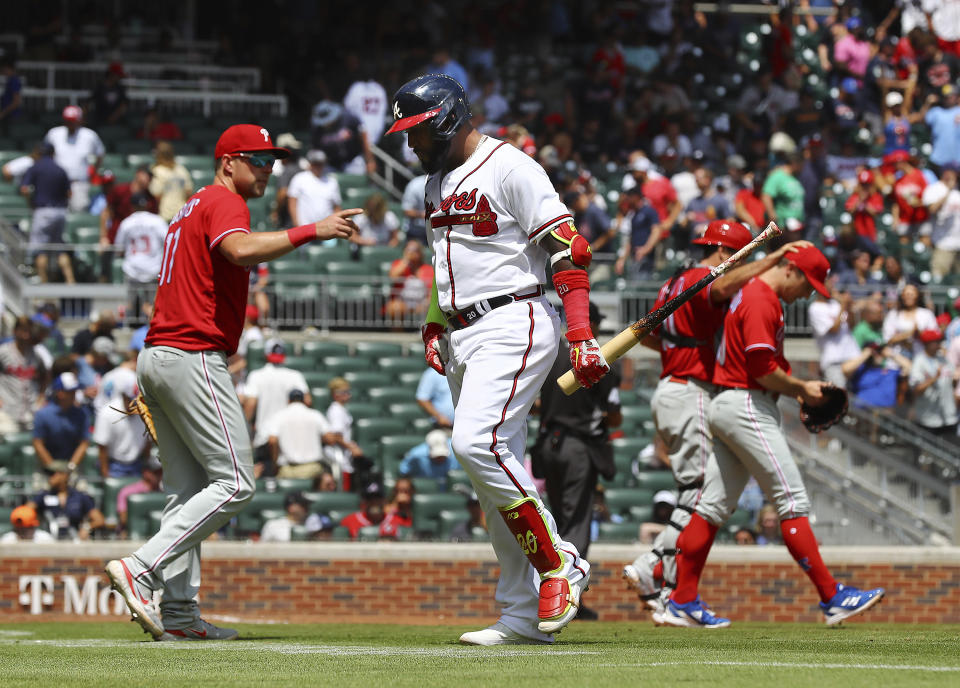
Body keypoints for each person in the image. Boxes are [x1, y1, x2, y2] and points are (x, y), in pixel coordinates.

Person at [104, 123, 361, 642]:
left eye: (273, 161)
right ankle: (140, 567)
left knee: (188, 492)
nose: (270, 168)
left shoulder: (190, 206)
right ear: (228, 163)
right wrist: (313, 229)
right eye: (259, 159)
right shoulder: (225, 202)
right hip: (191, 352)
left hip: (159, 353)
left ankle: (178, 616)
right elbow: (239, 251)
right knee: (237, 483)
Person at [385, 73, 603, 645]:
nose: (411, 144)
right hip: (463, 332)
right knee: (494, 476)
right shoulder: (435, 183)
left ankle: (561, 562)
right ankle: (520, 615)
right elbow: (444, 257)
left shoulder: (512, 167)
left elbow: (568, 249)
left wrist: (581, 335)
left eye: (418, 131)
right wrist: (435, 321)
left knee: (473, 444)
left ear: (449, 119)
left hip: (514, 318)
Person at [667, 245, 885, 628]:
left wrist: (801, 385)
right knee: (792, 500)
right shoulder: (760, 298)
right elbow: (762, 368)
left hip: (730, 402)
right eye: (808, 283)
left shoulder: (752, 295)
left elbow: (766, 366)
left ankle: (682, 599)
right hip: (747, 403)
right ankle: (832, 597)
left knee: (712, 507)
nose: (809, 293)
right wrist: (802, 389)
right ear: (790, 269)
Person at [623, 221, 811, 620]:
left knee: (696, 493)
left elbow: (647, 335)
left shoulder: (672, 282)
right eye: (744, 258)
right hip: (691, 390)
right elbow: (722, 287)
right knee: (699, 496)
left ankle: (666, 588)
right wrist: (774, 257)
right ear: (726, 253)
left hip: (674, 385)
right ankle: (654, 570)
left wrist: (682, 348)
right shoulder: (702, 277)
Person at [535, 301, 621, 562]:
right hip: (578, 449)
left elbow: (536, 405)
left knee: (559, 524)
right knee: (576, 525)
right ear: (590, 324)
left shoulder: (551, 355)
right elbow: (615, 417)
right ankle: (569, 598)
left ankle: (553, 592)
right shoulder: (599, 360)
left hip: (548, 445)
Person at [244, 338, 311, 473]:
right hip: (290, 435)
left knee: (267, 476)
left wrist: (245, 431)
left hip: (265, 435)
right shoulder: (295, 376)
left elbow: (250, 405)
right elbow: (307, 402)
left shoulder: (256, 375)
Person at [266, 389, 356, 479]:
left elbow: (272, 441)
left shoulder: (278, 416)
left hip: (288, 470)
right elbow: (330, 439)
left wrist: (274, 463)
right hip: (313, 470)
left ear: (288, 400)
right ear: (303, 400)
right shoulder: (315, 415)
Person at [20, 142, 73, 283]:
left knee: (40, 250)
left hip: (43, 211)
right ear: (53, 153)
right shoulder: (60, 169)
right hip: (60, 212)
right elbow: (69, 193)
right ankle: (70, 283)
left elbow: (24, 189)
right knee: (59, 248)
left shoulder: (35, 167)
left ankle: (44, 286)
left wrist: (29, 203)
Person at [114, 201, 168, 323]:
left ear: (132, 206)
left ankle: (128, 326)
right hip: (153, 267)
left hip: (132, 268)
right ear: (147, 205)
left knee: (130, 303)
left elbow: (118, 248)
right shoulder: (157, 221)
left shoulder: (127, 222)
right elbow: (168, 241)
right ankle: (153, 327)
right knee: (153, 306)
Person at [44, 105, 104, 212]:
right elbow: (45, 153)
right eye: (67, 121)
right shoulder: (54, 133)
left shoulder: (89, 135)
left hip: (79, 183)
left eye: (73, 121)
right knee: (56, 213)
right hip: (57, 183)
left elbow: (100, 153)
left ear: (80, 120)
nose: (70, 124)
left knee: (79, 211)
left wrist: (93, 172)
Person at [93, 367, 150, 478]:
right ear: (124, 396)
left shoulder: (146, 412)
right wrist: (106, 475)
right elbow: (102, 447)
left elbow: (147, 443)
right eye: (132, 400)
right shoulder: (107, 413)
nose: (136, 405)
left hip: (137, 464)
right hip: (113, 465)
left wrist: (145, 467)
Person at [29, 461, 105, 540]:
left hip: (74, 538)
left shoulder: (79, 496)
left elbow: (99, 520)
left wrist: (87, 527)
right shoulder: (44, 495)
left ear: (64, 475)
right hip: (48, 538)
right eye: (48, 474)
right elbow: (25, 512)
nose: (49, 477)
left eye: (52, 474)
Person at [32, 372, 89, 475]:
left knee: (82, 490)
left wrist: (71, 467)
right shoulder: (42, 414)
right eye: (70, 392)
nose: (74, 395)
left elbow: (84, 443)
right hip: (46, 469)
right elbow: (38, 443)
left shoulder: (81, 414)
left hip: (72, 468)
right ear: (60, 393)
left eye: (75, 391)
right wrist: (54, 469)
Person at [808, 282, 861, 388]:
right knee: (840, 397)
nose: (833, 288)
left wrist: (849, 307)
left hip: (852, 357)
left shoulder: (835, 304)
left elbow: (852, 325)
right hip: (834, 362)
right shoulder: (815, 308)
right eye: (830, 285)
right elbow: (833, 329)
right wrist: (843, 306)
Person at [0, 316, 46, 434]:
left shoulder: (35, 354)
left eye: (28, 331)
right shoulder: (3, 351)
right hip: (7, 410)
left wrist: (41, 396)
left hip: (30, 411)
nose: (26, 335)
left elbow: (45, 375)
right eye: (23, 330)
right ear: (15, 331)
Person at [910, 329, 959, 437]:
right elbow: (916, 390)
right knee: (927, 451)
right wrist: (934, 378)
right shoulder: (919, 361)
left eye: (939, 341)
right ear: (927, 344)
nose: (938, 345)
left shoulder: (944, 359)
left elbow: (953, 381)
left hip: (948, 416)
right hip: (928, 417)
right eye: (935, 342)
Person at [287, 150, 342, 228]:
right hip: (305, 230)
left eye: (321, 163)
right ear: (310, 163)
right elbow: (292, 202)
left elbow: (336, 207)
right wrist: (296, 224)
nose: (318, 166)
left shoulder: (332, 182)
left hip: (327, 230)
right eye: (315, 163)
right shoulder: (299, 178)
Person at [922, 166, 960, 280]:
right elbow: (932, 209)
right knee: (939, 280)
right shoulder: (934, 189)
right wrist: (948, 190)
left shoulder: (958, 191)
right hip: (943, 243)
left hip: (959, 243)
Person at [385, 239, 434, 321]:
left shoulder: (428, 269)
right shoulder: (398, 264)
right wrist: (406, 260)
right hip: (402, 302)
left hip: (422, 302)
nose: (411, 253)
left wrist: (425, 303)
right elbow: (393, 277)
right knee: (395, 308)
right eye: (408, 250)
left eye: (415, 250)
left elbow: (431, 291)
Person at [116, 456, 164, 534]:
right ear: (145, 472)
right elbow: (123, 519)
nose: (159, 475)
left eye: (161, 472)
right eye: (155, 472)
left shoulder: (164, 493)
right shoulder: (127, 492)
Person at [150, 141, 194, 223]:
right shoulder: (181, 169)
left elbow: (156, 194)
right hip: (181, 214)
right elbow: (189, 192)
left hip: (165, 214)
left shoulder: (157, 171)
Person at [260, 491, 327, 542]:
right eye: (303, 505)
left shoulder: (313, 524)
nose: (307, 508)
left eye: (307, 505)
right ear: (291, 507)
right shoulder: (273, 525)